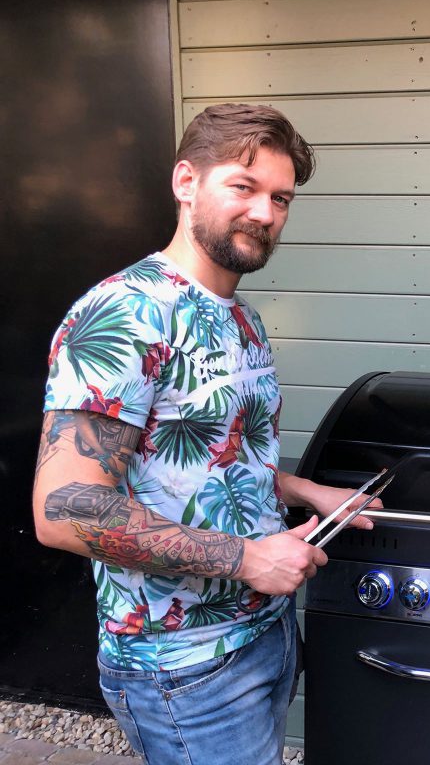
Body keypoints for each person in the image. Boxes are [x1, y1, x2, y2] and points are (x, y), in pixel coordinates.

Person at [31, 103, 377, 765]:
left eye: (281, 198)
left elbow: (200, 456)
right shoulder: (125, 315)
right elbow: (63, 509)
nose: (265, 213)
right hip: (183, 669)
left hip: (263, 636)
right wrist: (250, 560)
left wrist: (307, 488)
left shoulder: (239, 318)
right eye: (243, 188)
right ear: (186, 182)